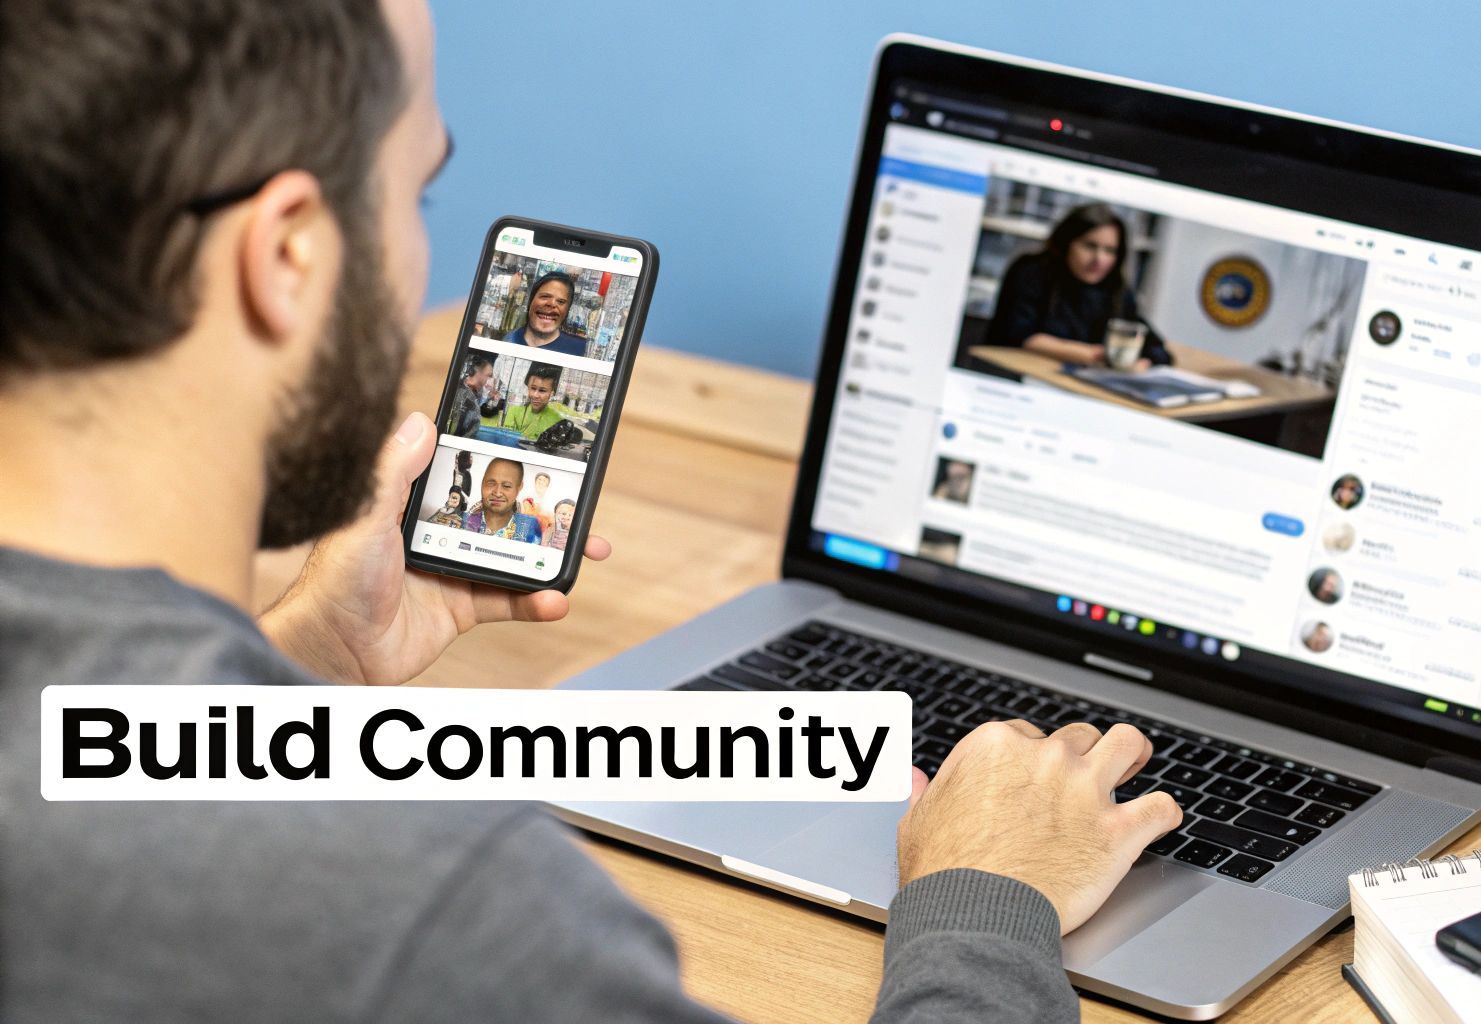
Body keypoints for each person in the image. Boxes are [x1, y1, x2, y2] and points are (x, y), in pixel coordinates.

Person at [0, 2, 1181, 1021]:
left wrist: (305, 664)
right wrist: (984, 894)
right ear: (289, 255)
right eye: (416, 187)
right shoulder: (433, 909)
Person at [983, 203, 1172, 369]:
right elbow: (1015, 335)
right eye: (1090, 246)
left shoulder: (1115, 289)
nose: (1099, 259)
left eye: (1110, 251)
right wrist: (1093, 355)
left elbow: (1157, 349)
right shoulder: (1032, 272)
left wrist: (1139, 363)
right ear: (1067, 243)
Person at [503, 272, 591, 356]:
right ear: (530, 301)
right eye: (545, 296)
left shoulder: (580, 349)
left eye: (561, 301)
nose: (552, 304)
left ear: (567, 310)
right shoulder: (508, 341)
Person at [463, 458, 543, 544]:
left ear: (519, 487)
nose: (497, 493)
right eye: (491, 483)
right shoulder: (462, 521)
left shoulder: (530, 528)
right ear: (482, 483)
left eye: (506, 486)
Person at [483, 363, 568, 439]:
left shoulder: (556, 420)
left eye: (542, 391)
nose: (535, 395)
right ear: (528, 387)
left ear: (552, 393)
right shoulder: (512, 411)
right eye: (533, 388)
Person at [446, 351, 497, 438]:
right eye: (488, 375)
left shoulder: (464, 392)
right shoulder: (467, 400)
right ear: (473, 371)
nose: (488, 382)